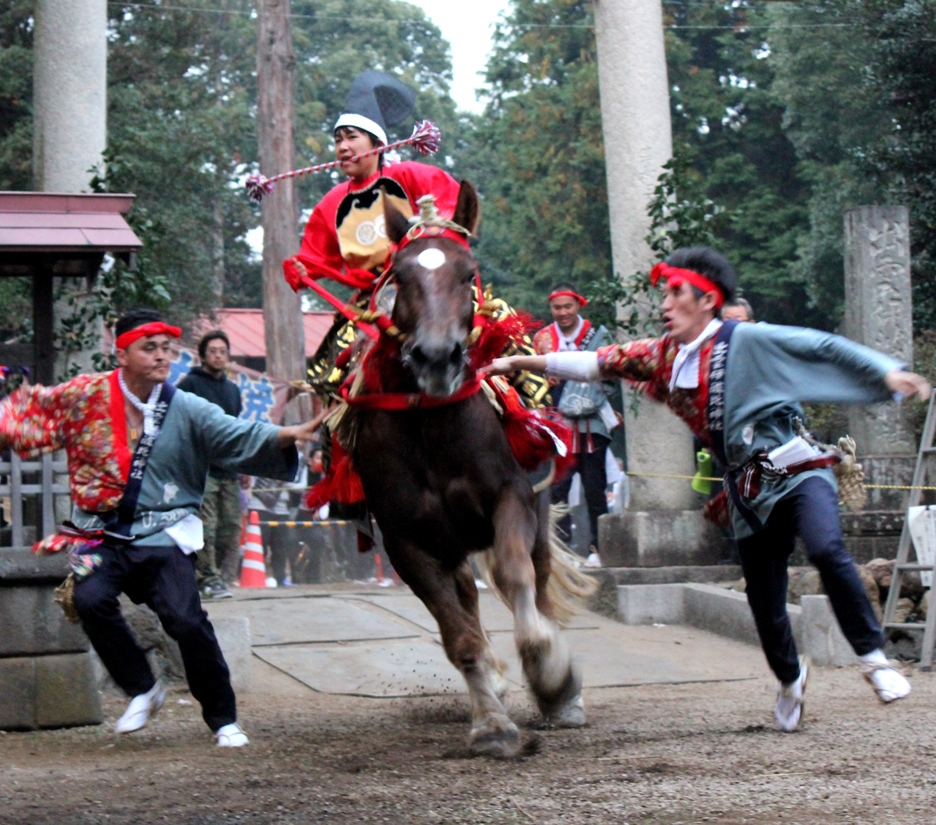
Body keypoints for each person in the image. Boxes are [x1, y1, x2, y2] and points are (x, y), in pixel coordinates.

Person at [486, 246, 932, 733]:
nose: (665, 305)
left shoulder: (750, 340)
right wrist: (517, 364)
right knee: (764, 598)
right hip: (746, 490)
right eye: (665, 294)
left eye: (676, 293)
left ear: (707, 299)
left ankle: (874, 660)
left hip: (798, 467)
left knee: (826, 547)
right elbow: (595, 363)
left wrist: (883, 372)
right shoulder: (662, 357)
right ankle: (790, 679)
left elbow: (820, 346)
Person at [0, 308, 321, 748]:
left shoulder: (186, 407)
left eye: (165, 349)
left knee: (186, 621)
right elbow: (26, 416)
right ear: (122, 354)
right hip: (101, 533)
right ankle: (142, 688)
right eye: (148, 349)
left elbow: (238, 434)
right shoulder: (86, 393)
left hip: (163, 530)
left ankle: (223, 718)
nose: (161, 357)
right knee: (90, 599)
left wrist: (293, 432)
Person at [288, 69, 547, 410]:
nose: (343, 147)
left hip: (432, 282)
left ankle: (535, 413)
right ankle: (334, 438)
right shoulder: (331, 203)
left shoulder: (411, 174)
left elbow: (452, 219)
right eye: (338, 140)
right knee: (329, 375)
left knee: (501, 323)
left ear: (378, 144)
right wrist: (298, 268)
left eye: (351, 137)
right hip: (372, 300)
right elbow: (315, 257)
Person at [533, 284, 618, 565]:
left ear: (578, 306)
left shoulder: (598, 336)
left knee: (596, 488)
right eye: (557, 308)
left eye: (568, 307)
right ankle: (562, 551)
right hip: (559, 426)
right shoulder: (543, 339)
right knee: (557, 489)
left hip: (593, 423)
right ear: (551, 309)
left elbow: (611, 374)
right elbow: (533, 383)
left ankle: (599, 548)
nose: (563, 313)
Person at [177, 330, 243, 599]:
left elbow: (237, 429)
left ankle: (214, 575)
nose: (218, 355)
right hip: (201, 468)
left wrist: (243, 464)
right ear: (203, 355)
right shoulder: (188, 386)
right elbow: (178, 425)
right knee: (206, 526)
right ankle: (208, 578)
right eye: (213, 351)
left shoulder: (233, 390)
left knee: (231, 528)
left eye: (223, 351)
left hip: (228, 468)